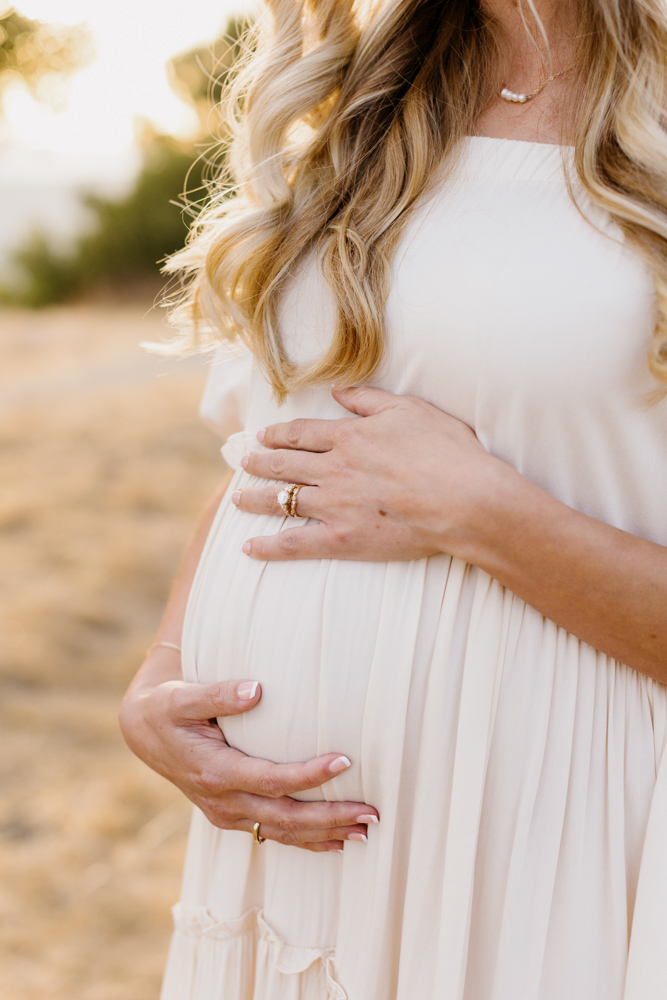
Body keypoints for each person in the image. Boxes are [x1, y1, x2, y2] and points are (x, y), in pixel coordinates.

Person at [119, 0, 667, 996]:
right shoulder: (360, 100)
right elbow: (274, 448)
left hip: (550, 840)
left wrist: (485, 514)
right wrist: (163, 674)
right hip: (294, 865)